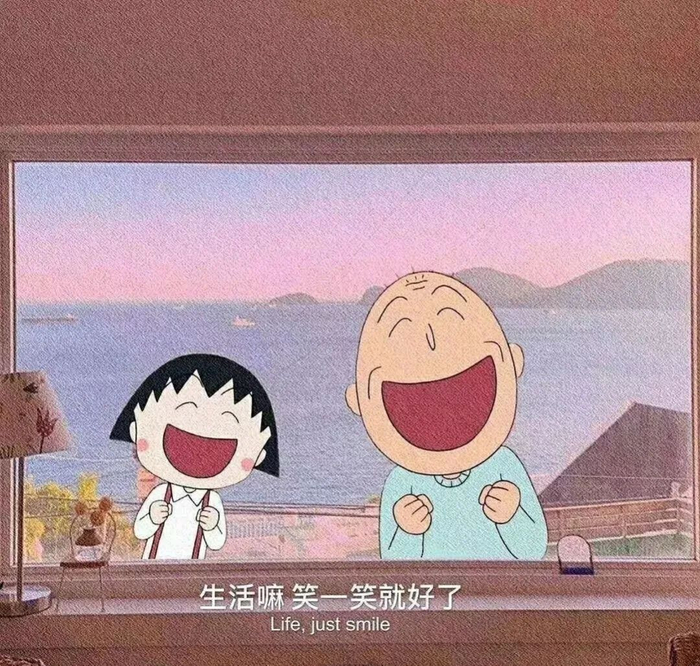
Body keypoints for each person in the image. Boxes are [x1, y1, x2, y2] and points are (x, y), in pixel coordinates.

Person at [345, 272, 547, 560]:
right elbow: (396, 563)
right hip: (437, 587)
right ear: (359, 402)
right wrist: (407, 531)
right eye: (416, 404)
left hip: (497, 583)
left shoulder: (504, 465)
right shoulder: (402, 482)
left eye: (467, 392)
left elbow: (532, 548)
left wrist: (513, 516)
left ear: (514, 362)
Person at [110, 353, 278, 560]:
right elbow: (141, 531)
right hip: (155, 568)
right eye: (179, 443)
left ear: (255, 457)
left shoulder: (212, 500)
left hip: (193, 570)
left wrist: (212, 525)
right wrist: (152, 517)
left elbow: (216, 542)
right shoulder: (161, 493)